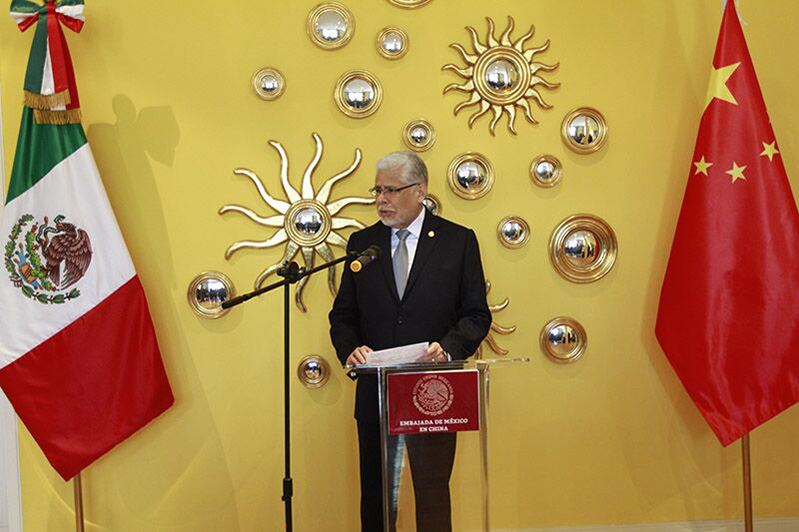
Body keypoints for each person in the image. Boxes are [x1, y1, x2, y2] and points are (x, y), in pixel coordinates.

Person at [329, 151, 491, 531]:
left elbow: (476, 315)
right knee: (376, 497)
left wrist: (448, 349)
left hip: (433, 392)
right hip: (376, 393)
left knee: (432, 495)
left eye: (391, 190)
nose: (381, 200)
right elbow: (343, 316)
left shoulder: (457, 241)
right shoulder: (363, 243)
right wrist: (350, 349)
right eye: (377, 190)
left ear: (420, 191)